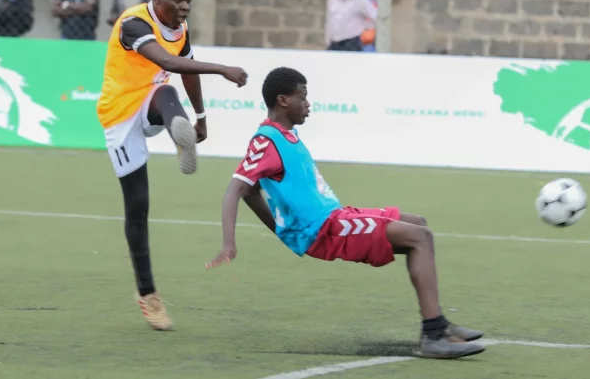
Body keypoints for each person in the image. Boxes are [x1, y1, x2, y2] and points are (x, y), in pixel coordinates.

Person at [206, 67, 486, 359]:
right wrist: (230, 242)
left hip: (336, 217)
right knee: (420, 237)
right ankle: (434, 334)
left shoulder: (286, 135)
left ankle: (438, 324)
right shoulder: (265, 141)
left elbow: (253, 192)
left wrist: (279, 229)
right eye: (302, 97)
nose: (308, 104)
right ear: (283, 101)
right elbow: (236, 189)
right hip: (324, 229)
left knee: (417, 224)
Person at [97, 0, 248, 331]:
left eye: (189, 1)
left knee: (166, 90)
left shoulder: (179, 29)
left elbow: (185, 71)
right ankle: (148, 295)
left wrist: (201, 116)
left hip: (153, 101)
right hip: (120, 115)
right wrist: (222, 69)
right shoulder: (133, 23)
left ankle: (179, 134)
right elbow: (167, 62)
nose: (185, 6)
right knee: (138, 207)